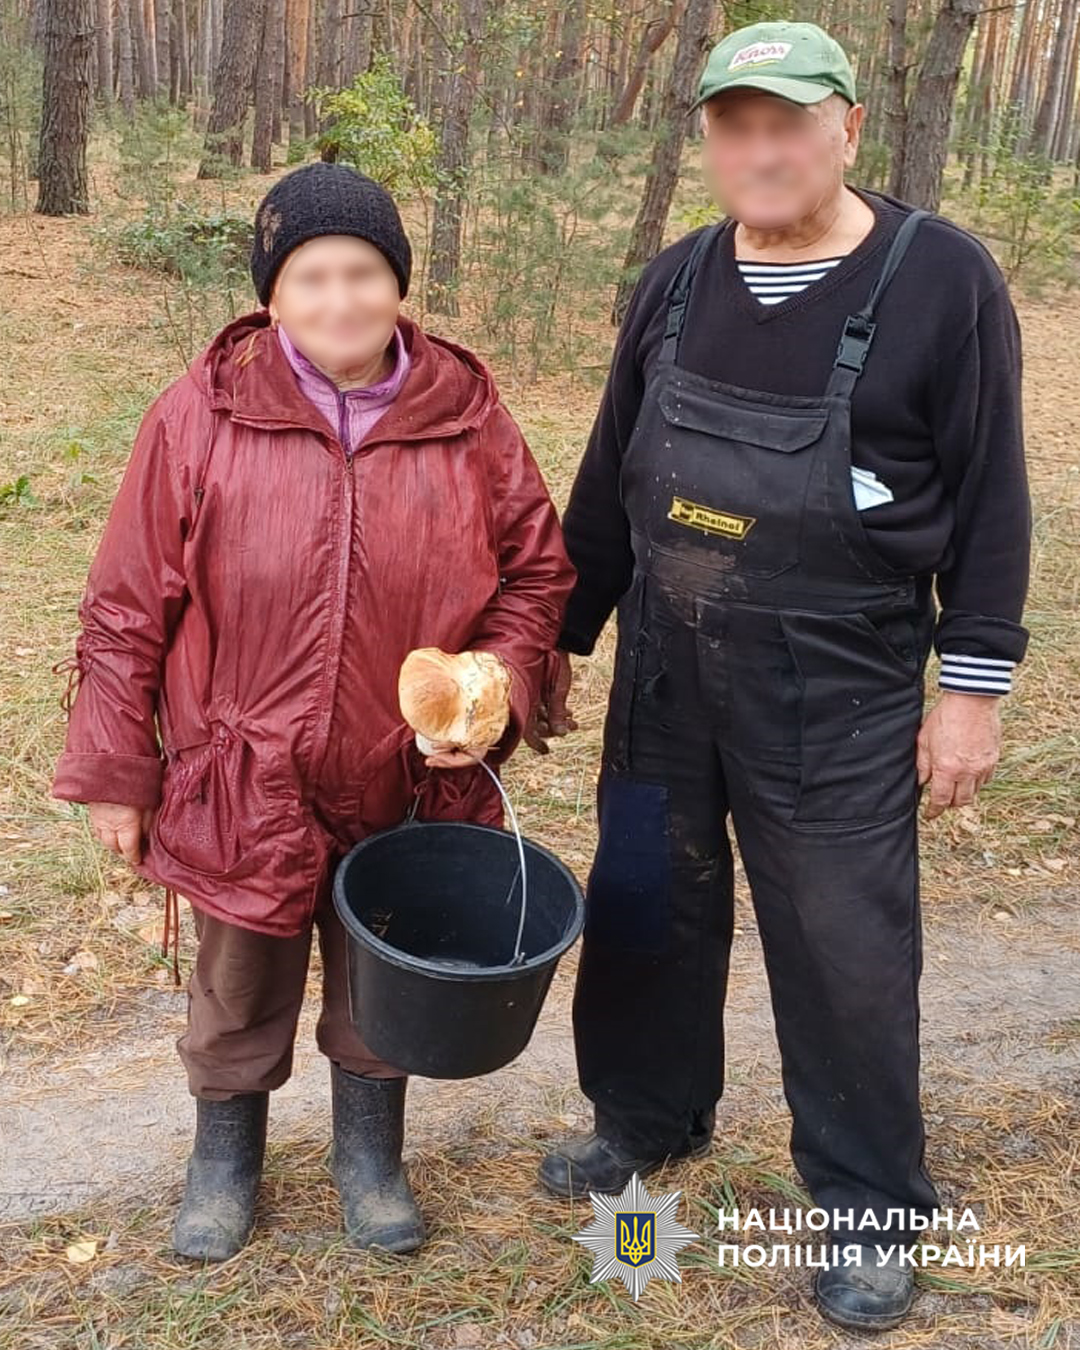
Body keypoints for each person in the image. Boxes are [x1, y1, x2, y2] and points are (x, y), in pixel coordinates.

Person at [531, 20, 1031, 1332]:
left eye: (788, 124)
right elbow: (609, 479)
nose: (761, 151)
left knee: (842, 942)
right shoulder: (678, 280)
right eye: (735, 126)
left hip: (837, 677)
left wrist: (971, 691)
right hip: (664, 669)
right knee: (645, 900)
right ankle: (646, 1114)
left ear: (847, 128)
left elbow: (993, 501)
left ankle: (869, 1201)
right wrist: (554, 641)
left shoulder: (942, 281)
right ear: (709, 139)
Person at [50, 161, 576, 1262]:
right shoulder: (200, 415)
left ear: (398, 283)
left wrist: (492, 687)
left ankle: (368, 1157)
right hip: (243, 766)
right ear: (274, 295)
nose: (342, 300)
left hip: (406, 766)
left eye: (364, 273)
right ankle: (223, 1159)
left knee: (389, 962)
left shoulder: (467, 417)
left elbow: (537, 577)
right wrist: (115, 772)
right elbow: (125, 607)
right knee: (239, 974)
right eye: (313, 277)